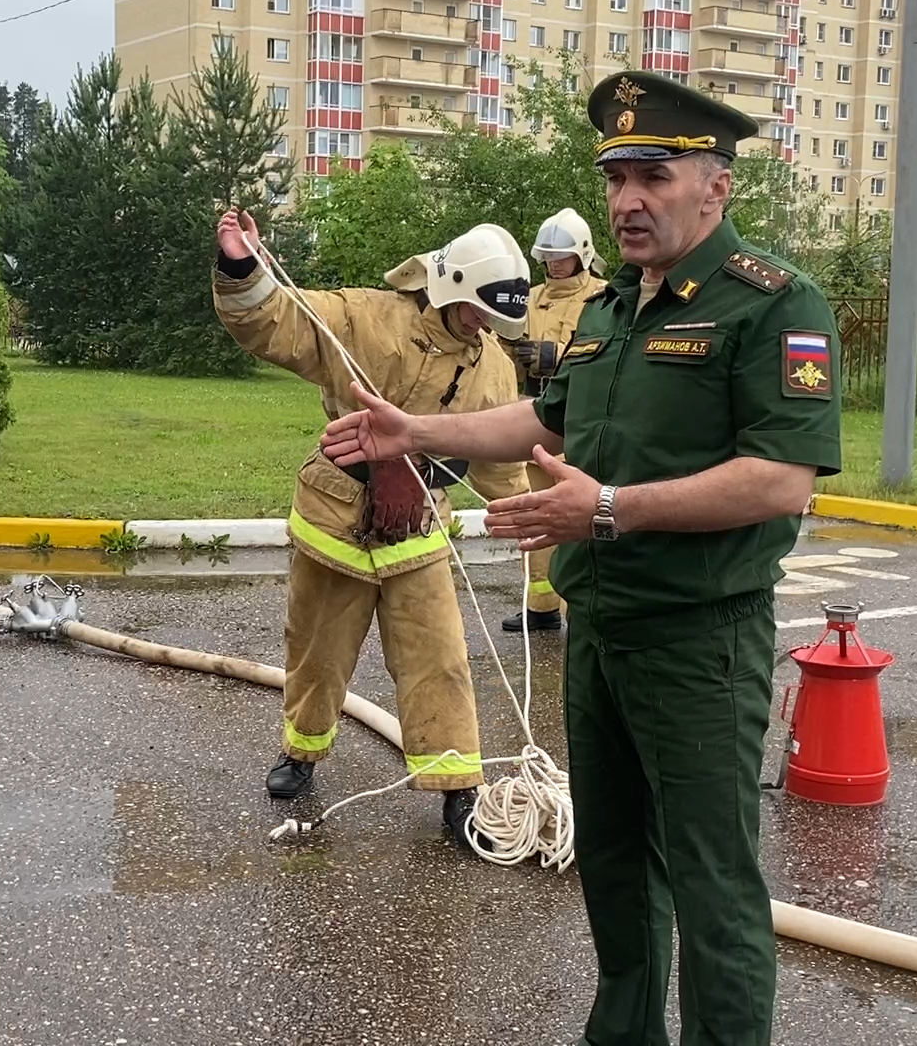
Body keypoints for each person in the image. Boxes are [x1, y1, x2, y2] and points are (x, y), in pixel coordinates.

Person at [317, 71, 843, 1045]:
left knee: (712, 885)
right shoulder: (608, 310)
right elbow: (542, 419)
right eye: (615, 178)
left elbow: (780, 480)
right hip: (600, 635)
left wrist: (604, 509)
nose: (627, 200)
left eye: (652, 176)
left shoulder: (772, 304)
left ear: (715, 186)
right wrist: (413, 431)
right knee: (613, 868)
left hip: (698, 641)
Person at [211, 210, 534, 849]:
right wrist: (241, 268)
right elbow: (278, 323)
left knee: (440, 658)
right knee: (317, 652)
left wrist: (529, 516)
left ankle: (457, 788)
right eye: (476, 310)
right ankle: (301, 754)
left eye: (493, 317)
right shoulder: (366, 318)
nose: (483, 325)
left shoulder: (492, 367)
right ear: (449, 285)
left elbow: (501, 460)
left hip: (418, 531)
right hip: (335, 522)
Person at [505, 208, 609, 634]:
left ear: (581, 255)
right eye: (547, 257)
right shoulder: (530, 298)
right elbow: (503, 346)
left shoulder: (604, 297)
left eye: (561, 256)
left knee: (581, 521)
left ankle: (580, 609)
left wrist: (552, 356)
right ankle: (541, 607)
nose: (554, 264)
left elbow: (603, 354)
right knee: (537, 515)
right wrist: (516, 354)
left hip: (582, 421)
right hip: (536, 416)